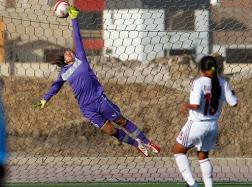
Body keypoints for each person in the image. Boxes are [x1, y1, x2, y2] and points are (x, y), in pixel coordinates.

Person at [34, 6, 160, 157]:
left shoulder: (81, 60)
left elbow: (78, 39)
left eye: (70, 51)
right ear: (64, 60)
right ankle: (136, 144)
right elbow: (55, 87)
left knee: (121, 121)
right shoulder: (63, 73)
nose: (69, 52)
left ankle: (146, 141)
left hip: (100, 100)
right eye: (66, 53)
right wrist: (44, 100)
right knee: (111, 131)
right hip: (87, 109)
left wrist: (74, 19)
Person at [172, 56, 237, 187]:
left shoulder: (199, 82)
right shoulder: (223, 82)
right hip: (212, 126)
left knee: (178, 150)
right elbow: (234, 103)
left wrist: (186, 105)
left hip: (196, 124)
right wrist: (231, 94)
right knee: (203, 157)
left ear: (202, 69)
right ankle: (208, 185)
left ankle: (192, 184)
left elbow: (195, 105)